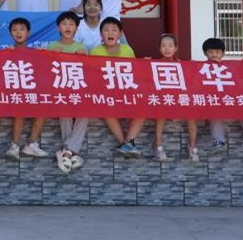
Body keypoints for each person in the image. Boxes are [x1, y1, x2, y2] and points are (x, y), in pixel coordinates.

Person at [91, 18, 147, 158]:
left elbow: (134, 72)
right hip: (106, 94)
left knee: (143, 109)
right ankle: (125, 143)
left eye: (114, 30)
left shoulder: (127, 50)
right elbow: (92, 75)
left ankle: (127, 143)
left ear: (120, 33)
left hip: (126, 93)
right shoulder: (95, 51)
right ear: (101, 34)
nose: (110, 33)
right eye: (106, 30)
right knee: (106, 109)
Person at [46, 15, 89, 175]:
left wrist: (84, 58)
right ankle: (71, 152)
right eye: (64, 24)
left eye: (71, 24)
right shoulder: (52, 46)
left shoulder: (82, 47)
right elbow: (45, 71)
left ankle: (66, 152)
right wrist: (52, 56)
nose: (67, 27)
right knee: (64, 110)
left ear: (76, 28)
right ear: (58, 28)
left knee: (84, 113)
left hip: (77, 91)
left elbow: (87, 71)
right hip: (60, 91)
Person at [5, 16, 50, 160]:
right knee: (20, 110)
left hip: (32, 93)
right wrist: (6, 54)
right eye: (15, 30)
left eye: (22, 29)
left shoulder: (35, 52)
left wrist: (43, 55)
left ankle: (31, 143)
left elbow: (43, 73)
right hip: (14, 94)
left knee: (43, 108)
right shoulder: (6, 52)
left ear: (28, 33)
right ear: (10, 33)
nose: (18, 32)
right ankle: (14, 146)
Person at [151, 33, 200, 163]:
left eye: (170, 46)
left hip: (179, 99)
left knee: (192, 114)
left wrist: (194, 66)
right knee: (161, 111)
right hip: (162, 99)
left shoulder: (181, 64)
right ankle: (158, 144)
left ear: (176, 48)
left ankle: (192, 146)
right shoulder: (154, 63)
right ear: (159, 48)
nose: (167, 49)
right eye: (163, 46)